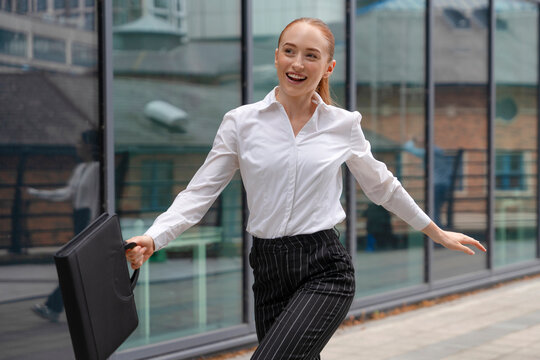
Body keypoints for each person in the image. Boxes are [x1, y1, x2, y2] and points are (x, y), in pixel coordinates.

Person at [125, 18, 486, 359]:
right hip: (267, 268)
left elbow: (383, 187)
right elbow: (200, 192)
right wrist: (155, 237)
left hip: (324, 267)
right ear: (277, 56)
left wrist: (436, 232)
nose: (297, 63)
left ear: (328, 67)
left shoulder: (343, 125)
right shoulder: (240, 122)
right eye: (289, 50)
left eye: (311, 55)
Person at [29, 129, 101, 322]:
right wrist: (36, 193)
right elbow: (66, 193)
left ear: (89, 146)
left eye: (80, 143)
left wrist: (92, 227)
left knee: (74, 268)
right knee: (81, 270)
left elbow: (96, 200)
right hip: (79, 220)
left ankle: (53, 307)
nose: (77, 146)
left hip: (88, 222)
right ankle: (72, 310)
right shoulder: (80, 169)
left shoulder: (97, 169)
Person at [403, 136, 455, 228]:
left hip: (437, 185)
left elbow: (409, 148)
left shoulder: (430, 152)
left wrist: (413, 140)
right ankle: (439, 231)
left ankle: (437, 234)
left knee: (433, 210)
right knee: (436, 209)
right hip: (444, 184)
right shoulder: (438, 151)